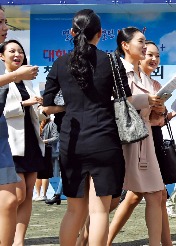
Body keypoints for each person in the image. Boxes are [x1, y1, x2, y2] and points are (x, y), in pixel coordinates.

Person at [42, 9, 129, 246]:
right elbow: (125, 100)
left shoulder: (60, 63)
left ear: (72, 32)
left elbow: (47, 106)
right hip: (105, 140)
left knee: (74, 211)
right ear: (100, 34)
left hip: (73, 139)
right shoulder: (111, 61)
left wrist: (68, 108)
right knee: (99, 211)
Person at [107, 40, 173, 246]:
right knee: (114, 199)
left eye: (156, 55)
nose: (153, 58)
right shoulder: (123, 76)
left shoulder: (153, 84)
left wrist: (163, 110)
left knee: (155, 194)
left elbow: (156, 120)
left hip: (148, 140)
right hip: (128, 140)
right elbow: (120, 105)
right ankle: (92, 236)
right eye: (148, 54)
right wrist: (149, 103)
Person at [1, 39, 46, 245]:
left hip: (31, 141)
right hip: (11, 142)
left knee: (28, 193)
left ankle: (19, 241)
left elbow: (35, 113)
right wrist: (24, 103)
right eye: (12, 51)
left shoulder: (27, 81)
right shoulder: (3, 81)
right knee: (16, 195)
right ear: (2, 56)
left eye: (20, 51)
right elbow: (4, 111)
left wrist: (41, 107)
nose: (17, 55)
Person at [36, 118, 59, 202]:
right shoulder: (35, 121)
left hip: (46, 148)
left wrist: (44, 141)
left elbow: (56, 137)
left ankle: (43, 194)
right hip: (37, 149)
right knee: (37, 172)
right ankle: (38, 194)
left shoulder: (51, 124)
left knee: (44, 173)